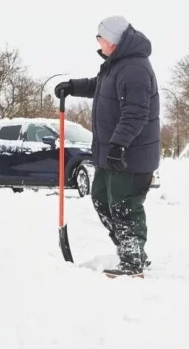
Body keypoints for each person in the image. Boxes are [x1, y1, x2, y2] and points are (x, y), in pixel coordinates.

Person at [54, 15, 160, 277]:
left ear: (112, 40)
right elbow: (100, 88)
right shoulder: (116, 65)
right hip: (112, 153)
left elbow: (136, 113)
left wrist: (119, 144)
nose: (98, 41)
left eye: (100, 37)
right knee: (101, 198)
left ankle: (133, 259)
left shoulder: (134, 68)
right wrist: (73, 87)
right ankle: (128, 249)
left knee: (124, 204)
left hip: (130, 154)